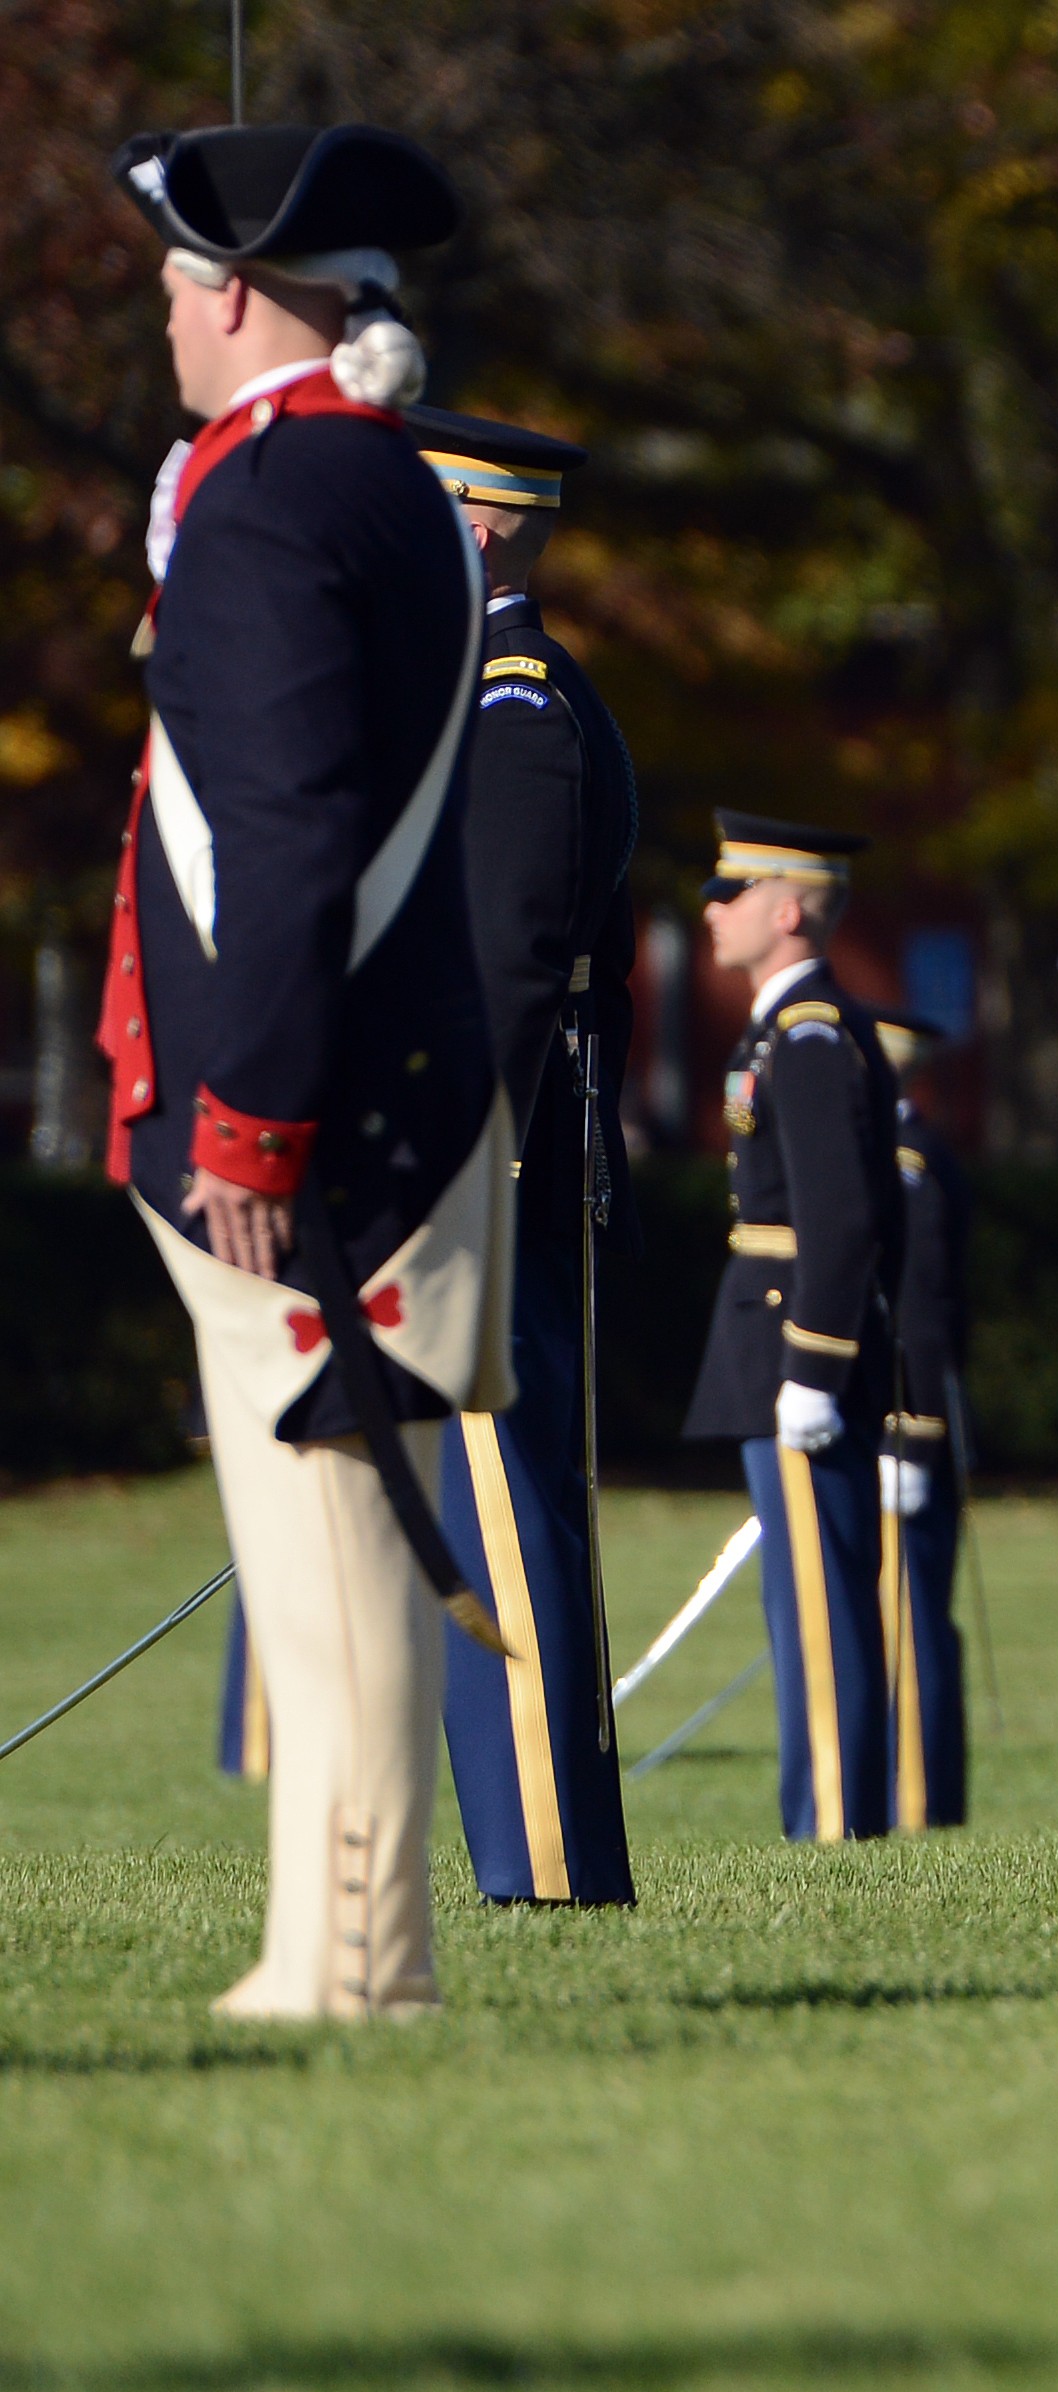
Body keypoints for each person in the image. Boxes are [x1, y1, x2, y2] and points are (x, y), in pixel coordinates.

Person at [104, 122, 508, 2018]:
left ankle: (357, 1965)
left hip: (318, 1117)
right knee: (312, 1551)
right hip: (370, 1084)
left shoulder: (276, 506)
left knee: (330, 1558)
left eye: (184, 282)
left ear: (252, 292)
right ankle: (318, 1948)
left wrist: (248, 1118)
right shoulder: (374, 486)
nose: (167, 317)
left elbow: (279, 835)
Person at [404, 403, 641, 1909]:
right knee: (489, 1490)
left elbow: (504, 959)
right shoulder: (473, 692)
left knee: (506, 1495)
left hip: (494, 1145)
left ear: (474, 528)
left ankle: (547, 1857)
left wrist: (450, 1151)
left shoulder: (512, 702)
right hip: (490, 1143)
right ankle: (528, 1848)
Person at [681, 816, 907, 1845]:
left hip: (792, 1346)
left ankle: (830, 1822)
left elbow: (841, 1215)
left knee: (817, 1598)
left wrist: (813, 1366)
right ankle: (826, 1811)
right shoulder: (784, 1027)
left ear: (784, 909)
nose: (709, 911)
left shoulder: (809, 1034)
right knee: (807, 1592)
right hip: (774, 1341)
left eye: (728, 892)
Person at [871, 1007, 973, 1832]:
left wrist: (911, 1425)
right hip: (906, 1413)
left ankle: (919, 1801)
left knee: (909, 1617)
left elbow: (921, 1308)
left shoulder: (903, 1162)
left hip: (905, 1420)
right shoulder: (911, 1153)